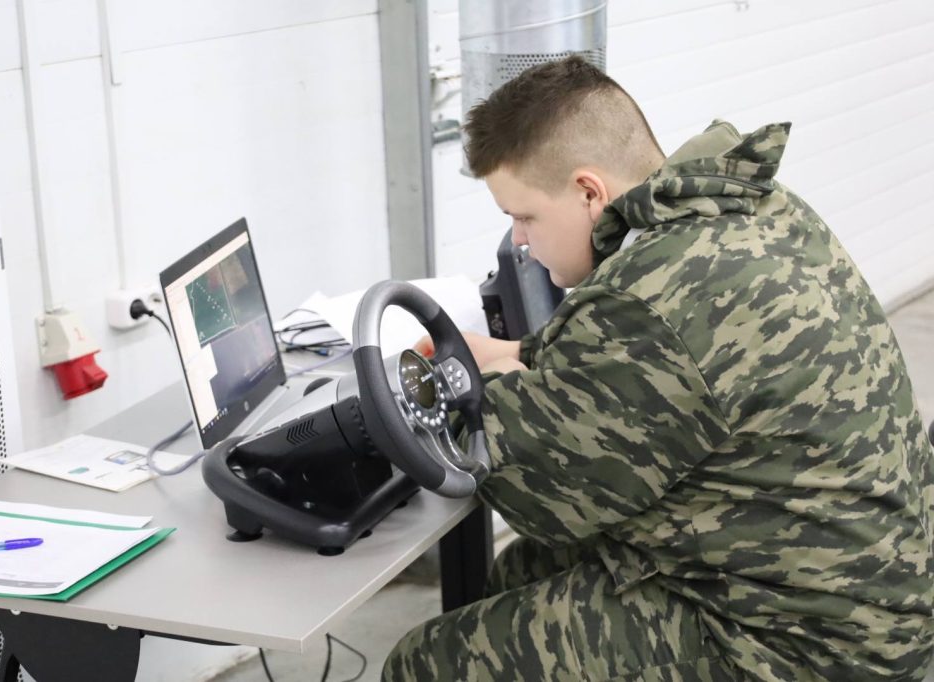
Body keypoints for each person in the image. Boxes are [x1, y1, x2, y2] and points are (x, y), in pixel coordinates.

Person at [382, 56, 934, 681]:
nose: (519, 242)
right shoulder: (745, 209)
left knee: (428, 662)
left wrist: (440, 399)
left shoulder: (649, 301)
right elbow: (652, 362)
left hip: (810, 646)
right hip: (869, 582)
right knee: (522, 569)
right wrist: (515, 356)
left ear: (589, 192)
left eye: (524, 216)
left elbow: (536, 492)